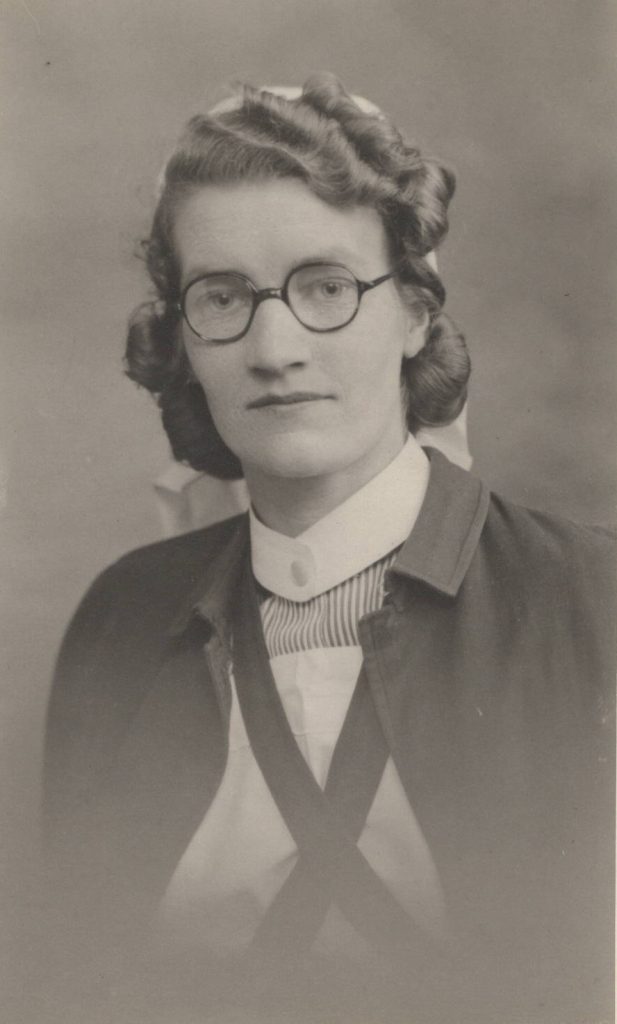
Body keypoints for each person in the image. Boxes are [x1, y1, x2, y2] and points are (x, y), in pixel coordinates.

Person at [42, 74, 615, 1024]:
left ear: (415, 312)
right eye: (223, 296)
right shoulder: (120, 622)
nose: (274, 348)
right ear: (185, 338)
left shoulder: (590, 602)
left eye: (326, 287)